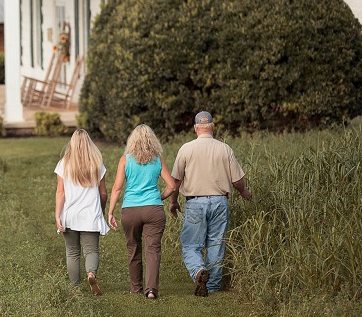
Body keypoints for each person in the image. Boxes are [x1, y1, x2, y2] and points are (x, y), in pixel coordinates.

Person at [169, 111, 252, 297]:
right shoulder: (225, 149)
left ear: (195, 128)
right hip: (219, 202)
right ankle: (213, 285)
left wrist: (173, 202)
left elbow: (176, 181)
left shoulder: (186, 149)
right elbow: (237, 180)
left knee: (191, 245)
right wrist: (244, 192)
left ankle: (199, 271)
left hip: (195, 203)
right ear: (213, 127)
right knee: (216, 244)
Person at [106, 124, 177, 299]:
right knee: (153, 249)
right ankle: (151, 290)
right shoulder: (157, 160)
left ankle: (136, 288)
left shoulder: (125, 160)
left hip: (130, 210)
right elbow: (172, 186)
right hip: (154, 210)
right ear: (151, 140)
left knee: (133, 248)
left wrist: (110, 211)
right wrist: (159, 198)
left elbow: (116, 188)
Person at [55, 128, 110, 294]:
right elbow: (103, 192)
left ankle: (75, 287)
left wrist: (58, 215)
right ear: (89, 143)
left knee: (72, 252)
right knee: (91, 250)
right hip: (90, 216)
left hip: (70, 215)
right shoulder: (97, 163)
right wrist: (101, 208)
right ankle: (91, 273)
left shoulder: (64, 164)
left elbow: (60, 192)